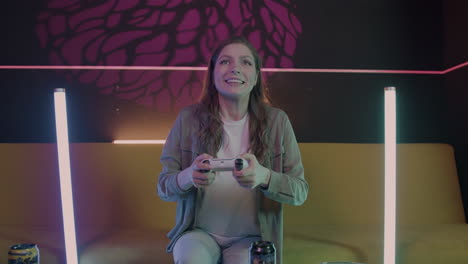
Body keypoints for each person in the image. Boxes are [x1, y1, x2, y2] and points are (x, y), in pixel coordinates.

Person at [157, 36, 308, 264]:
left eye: (246, 63)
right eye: (225, 62)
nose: (235, 68)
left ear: (256, 76)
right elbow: (163, 187)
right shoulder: (188, 119)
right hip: (198, 234)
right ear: (213, 73)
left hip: (252, 239)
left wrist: (264, 177)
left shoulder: (278, 121)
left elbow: (300, 192)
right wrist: (189, 176)